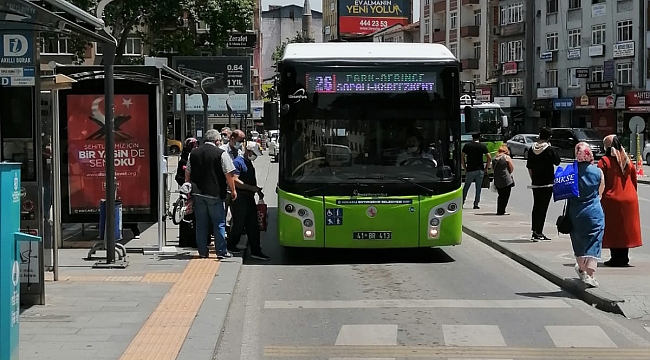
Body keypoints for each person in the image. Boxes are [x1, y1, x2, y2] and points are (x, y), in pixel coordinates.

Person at [185, 129, 238, 258]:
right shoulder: (221, 153)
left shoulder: (193, 153)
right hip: (214, 193)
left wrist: (188, 186)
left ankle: (203, 252)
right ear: (217, 140)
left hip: (197, 193)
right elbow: (229, 174)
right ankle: (221, 251)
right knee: (218, 222)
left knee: (201, 224)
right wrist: (233, 190)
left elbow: (188, 171)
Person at [598, 135, 642, 267]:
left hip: (612, 199)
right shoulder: (627, 161)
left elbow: (600, 181)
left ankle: (616, 258)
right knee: (625, 230)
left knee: (614, 230)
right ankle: (624, 257)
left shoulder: (604, 161)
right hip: (630, 198)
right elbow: (634, 180)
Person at [568, 142, 605, 288]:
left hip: (575, 212)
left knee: (578, 239)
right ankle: (590, 273)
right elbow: (601, 191)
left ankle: (581, 268)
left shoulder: (570, 171)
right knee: (594, 239)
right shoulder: (598, 171)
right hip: (594, 211)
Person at [227, 142, 270, 260]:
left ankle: (256, 250)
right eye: (254, 154)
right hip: (240, 198)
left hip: (249, 198)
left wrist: (257, 191)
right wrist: (252, 188)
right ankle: (231, 245)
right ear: (248, 151)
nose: (255, 156)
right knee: (239, 224)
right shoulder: (238, 162)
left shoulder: (248, 162)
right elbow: (234, 180)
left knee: (253, 225)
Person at [526, 127, 561, 241]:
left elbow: (529, 167)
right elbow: (557, 161)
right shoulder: (549, 149)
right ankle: (539, 232)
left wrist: (533, 178)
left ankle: (535, 230)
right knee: (543, 207)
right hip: (547, 183)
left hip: (536, 183)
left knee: (536, 206)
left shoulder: (532, 149)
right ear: (549, 137)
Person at [461, 132, 491, 209]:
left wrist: (464, 167)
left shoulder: (467, 146)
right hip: (480, 169)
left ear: (472, 137)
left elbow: (462, 157)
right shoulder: (482, 146)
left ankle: (462, 202)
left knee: (466, 186)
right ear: (479, 137)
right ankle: (476, 204)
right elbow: (489, 158)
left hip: (470, 169)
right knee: (478, 188)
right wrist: (486, 168)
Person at [491, 144, 515, 215]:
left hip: (497, 180)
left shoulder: (494, 158)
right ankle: (502, 210)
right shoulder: (506, 157)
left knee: (500, 195)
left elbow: (493, 169)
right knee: (506, 196)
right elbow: (511, 168)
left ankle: (499, 210)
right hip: (506, 180)